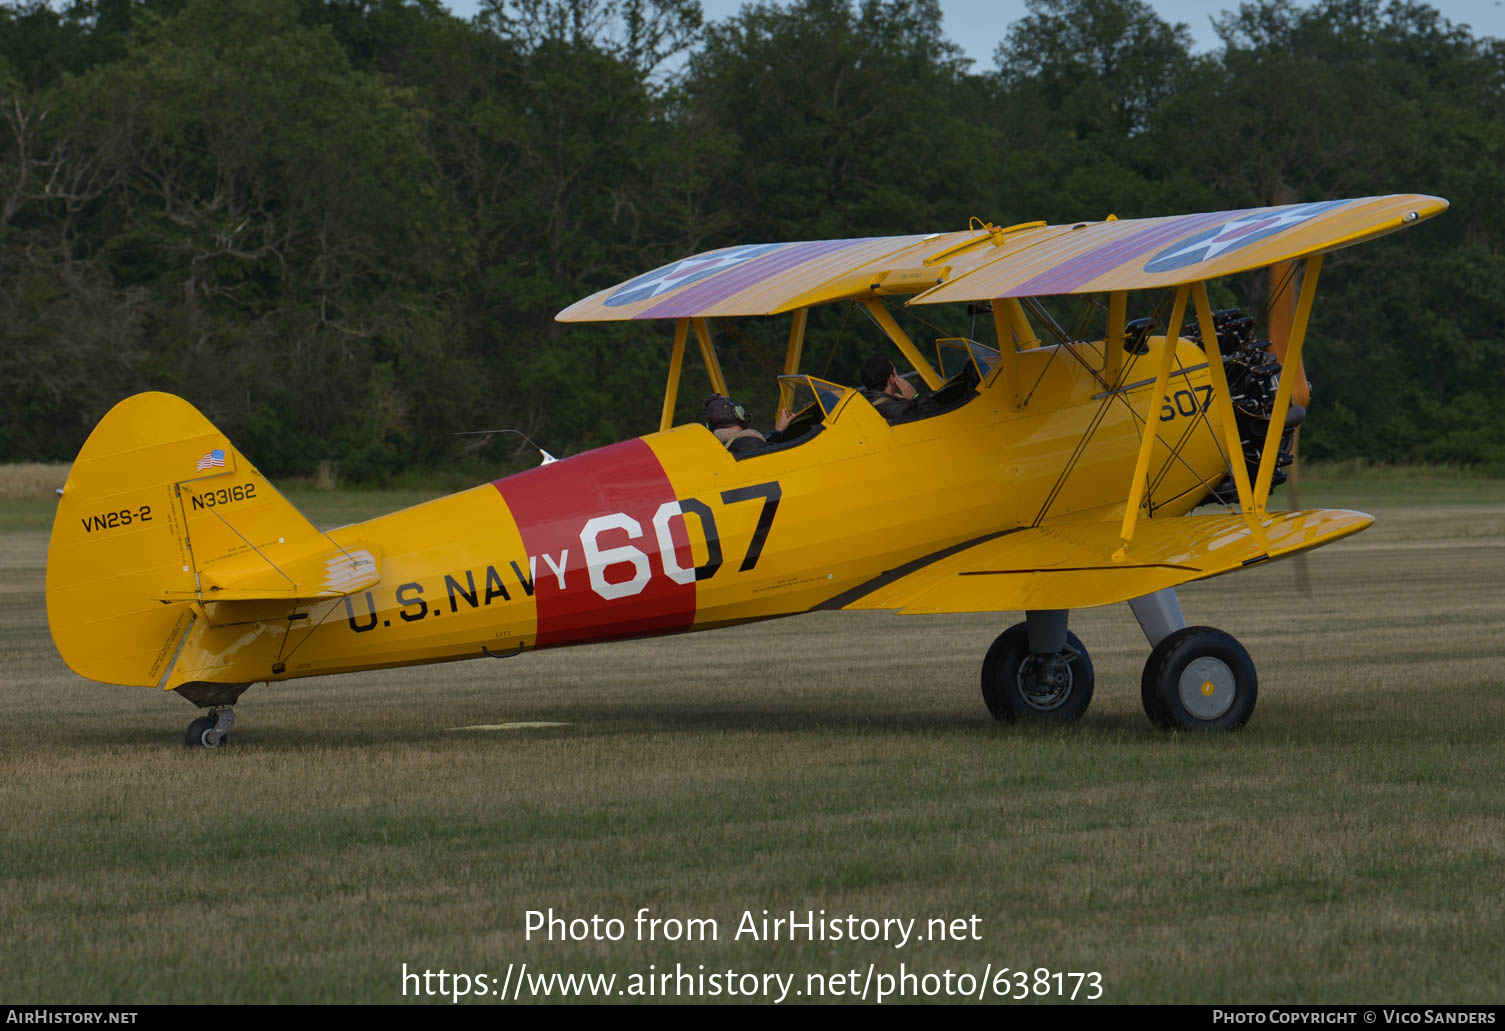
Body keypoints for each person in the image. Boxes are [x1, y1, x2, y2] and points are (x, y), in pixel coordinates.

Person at [859, 353, 936, 424]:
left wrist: (905, 401)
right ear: (891, 378)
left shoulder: (867, 404)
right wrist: (915, 397)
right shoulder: (901, 409)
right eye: (896, 373)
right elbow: (934, 416)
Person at [703, 394, 793, 456]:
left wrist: (778, 431)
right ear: (739, 413)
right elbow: (778, 457)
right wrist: (779, 432)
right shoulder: (750, 444)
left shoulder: (719, 450)